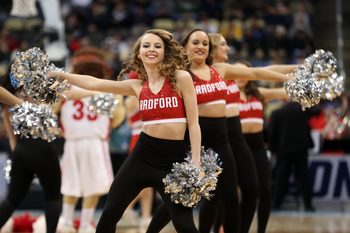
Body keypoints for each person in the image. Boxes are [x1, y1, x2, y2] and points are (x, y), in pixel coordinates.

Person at [49, 29, 202, 233]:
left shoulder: (181, 78)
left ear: (165, 52)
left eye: (157, 46)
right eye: (146, 46)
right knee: (109, 213)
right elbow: (95, 83)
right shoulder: (137, 86)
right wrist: (60, 74)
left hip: (174, 160)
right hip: (143, 155)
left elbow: (193, 123)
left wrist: (196, 163)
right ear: (138, 53)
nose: (151, 50)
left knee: (184, 224)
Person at [146, 29, 296, 233]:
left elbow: (256, 73)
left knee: (231, 198)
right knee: (180, 196)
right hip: (196, 142)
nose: (201, 47)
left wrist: (292, 75)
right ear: (185, 46)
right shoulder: (179, 76)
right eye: (196, 42)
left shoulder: (220, 69)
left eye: (205, 43)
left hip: (222, 141)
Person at [54, 47, 125, 233]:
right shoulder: (109, 87)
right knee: (94, 185)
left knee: (70, 184)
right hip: (95, 141)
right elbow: (118, 117)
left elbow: (49, 111)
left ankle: (66, 221)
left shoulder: (64, 87)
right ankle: (85, 224)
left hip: (72, 141)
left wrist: (59, 129)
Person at [0, 72, 62, 233]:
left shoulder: (9, 101)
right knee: (53, 197)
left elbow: (11, 138)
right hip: (43, 147)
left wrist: (17, 156)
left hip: (21, 150)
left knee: (12, 199)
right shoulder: (41, 94)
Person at [236, 64, 291, 233]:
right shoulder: (226, 94)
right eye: (237, 71)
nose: (241, 75)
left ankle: (261, 230)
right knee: (236, 193)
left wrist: (309, 83)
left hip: (258, 146)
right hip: (237, 146)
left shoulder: (259, 93)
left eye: (244, 72)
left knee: (265, 191)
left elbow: (284, 92)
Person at [268, 101, 317, 212]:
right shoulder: (302, 110)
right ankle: (308, 205)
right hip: (301, 148)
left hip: (284, 149)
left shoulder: (277, 113)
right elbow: (316, 112)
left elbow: (272, 133)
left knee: (281, 177)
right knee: (304, 177)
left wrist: (273, 149)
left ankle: (276, 204)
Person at [121, 71, 154, 230]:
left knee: (149, 183)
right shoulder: (133, 98)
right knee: (143, 181)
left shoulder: (131, 99)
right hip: (139, 137)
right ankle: (126, 208)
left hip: (146, 136)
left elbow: (128, 122)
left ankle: (146, 216)